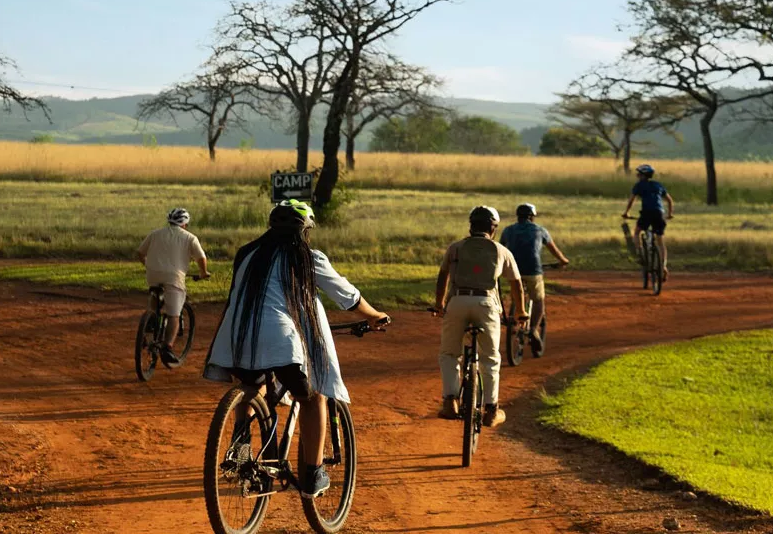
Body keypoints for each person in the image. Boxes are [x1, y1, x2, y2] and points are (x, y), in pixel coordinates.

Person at [202, 200, 390, 498]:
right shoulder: (307, 258)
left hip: (237, 336)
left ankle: (241, 441)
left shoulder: (247, 254)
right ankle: (314, 474)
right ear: (306, 230)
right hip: (281, 339)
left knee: (251, 383)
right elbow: (347, 296)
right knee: (313, 396)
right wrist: (374, 315)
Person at [433, 206, 526, 428]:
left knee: (449, 353)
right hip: (486, 305)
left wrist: (439, 304)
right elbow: (517, 285)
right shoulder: (501, 250)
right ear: (493, 228)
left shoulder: (456, 248)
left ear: (470, 226)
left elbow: (443, 276)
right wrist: (521, 310)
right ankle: (491, 409)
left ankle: (450, 401)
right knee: (490, 358)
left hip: (457, 302)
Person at [137, 207, 210, 368]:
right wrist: (203, 273)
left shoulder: (155, 233)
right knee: (173, 315)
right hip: (174, 278)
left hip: (153, 274)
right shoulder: (190, 237)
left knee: (155, 296)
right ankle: (167, 347)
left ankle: (150, 323)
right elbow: (201, 258)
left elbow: (140, 253)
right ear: (185, 224)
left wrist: (148, 266)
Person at [499, 203, 569, 356]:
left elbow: (500, 248)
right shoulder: (540, 230)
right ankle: (533, 330)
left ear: (518, 216)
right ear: (532, 216)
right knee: (538, 300)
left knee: (517, 295)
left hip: (513, 269)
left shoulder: (508, 230)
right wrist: (563, 261)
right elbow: (554, 250)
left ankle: (517, 313)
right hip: (533, 269)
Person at [622, 164, 674, 281]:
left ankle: (640, 253)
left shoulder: (639, 186)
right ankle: (663, 266)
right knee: (660, 241)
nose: (637, 175)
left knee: (637, 232)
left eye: (638, 174)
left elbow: (631, 200)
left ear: (642, 175)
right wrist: (669, 214)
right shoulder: (658, 185)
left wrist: (626, 213)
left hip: (646, 213)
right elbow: (670, 200)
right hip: (659, 214)